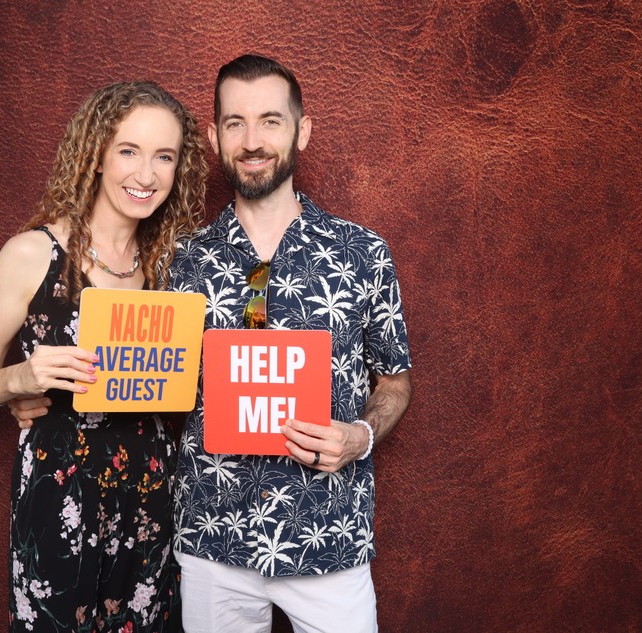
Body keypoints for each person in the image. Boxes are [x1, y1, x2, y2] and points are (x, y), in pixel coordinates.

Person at [167, 55, 412, 632]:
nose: (253, 141)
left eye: (271, 121)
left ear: (301, 130)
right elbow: (148, 373)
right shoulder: (182, 261)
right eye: (235, 123)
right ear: (214, 137)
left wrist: (362, 434)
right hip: (213, 536)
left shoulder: (362, 253)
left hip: (328, 533)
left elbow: (395, 381)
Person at [0, 81, 207, 633]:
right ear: (95, 154)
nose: (145, 175)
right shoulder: (31, 254)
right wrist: (16, 379)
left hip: (152, 503)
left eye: (164, 157)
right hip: (60, 502)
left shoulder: (175, 269)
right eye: (128, 151)